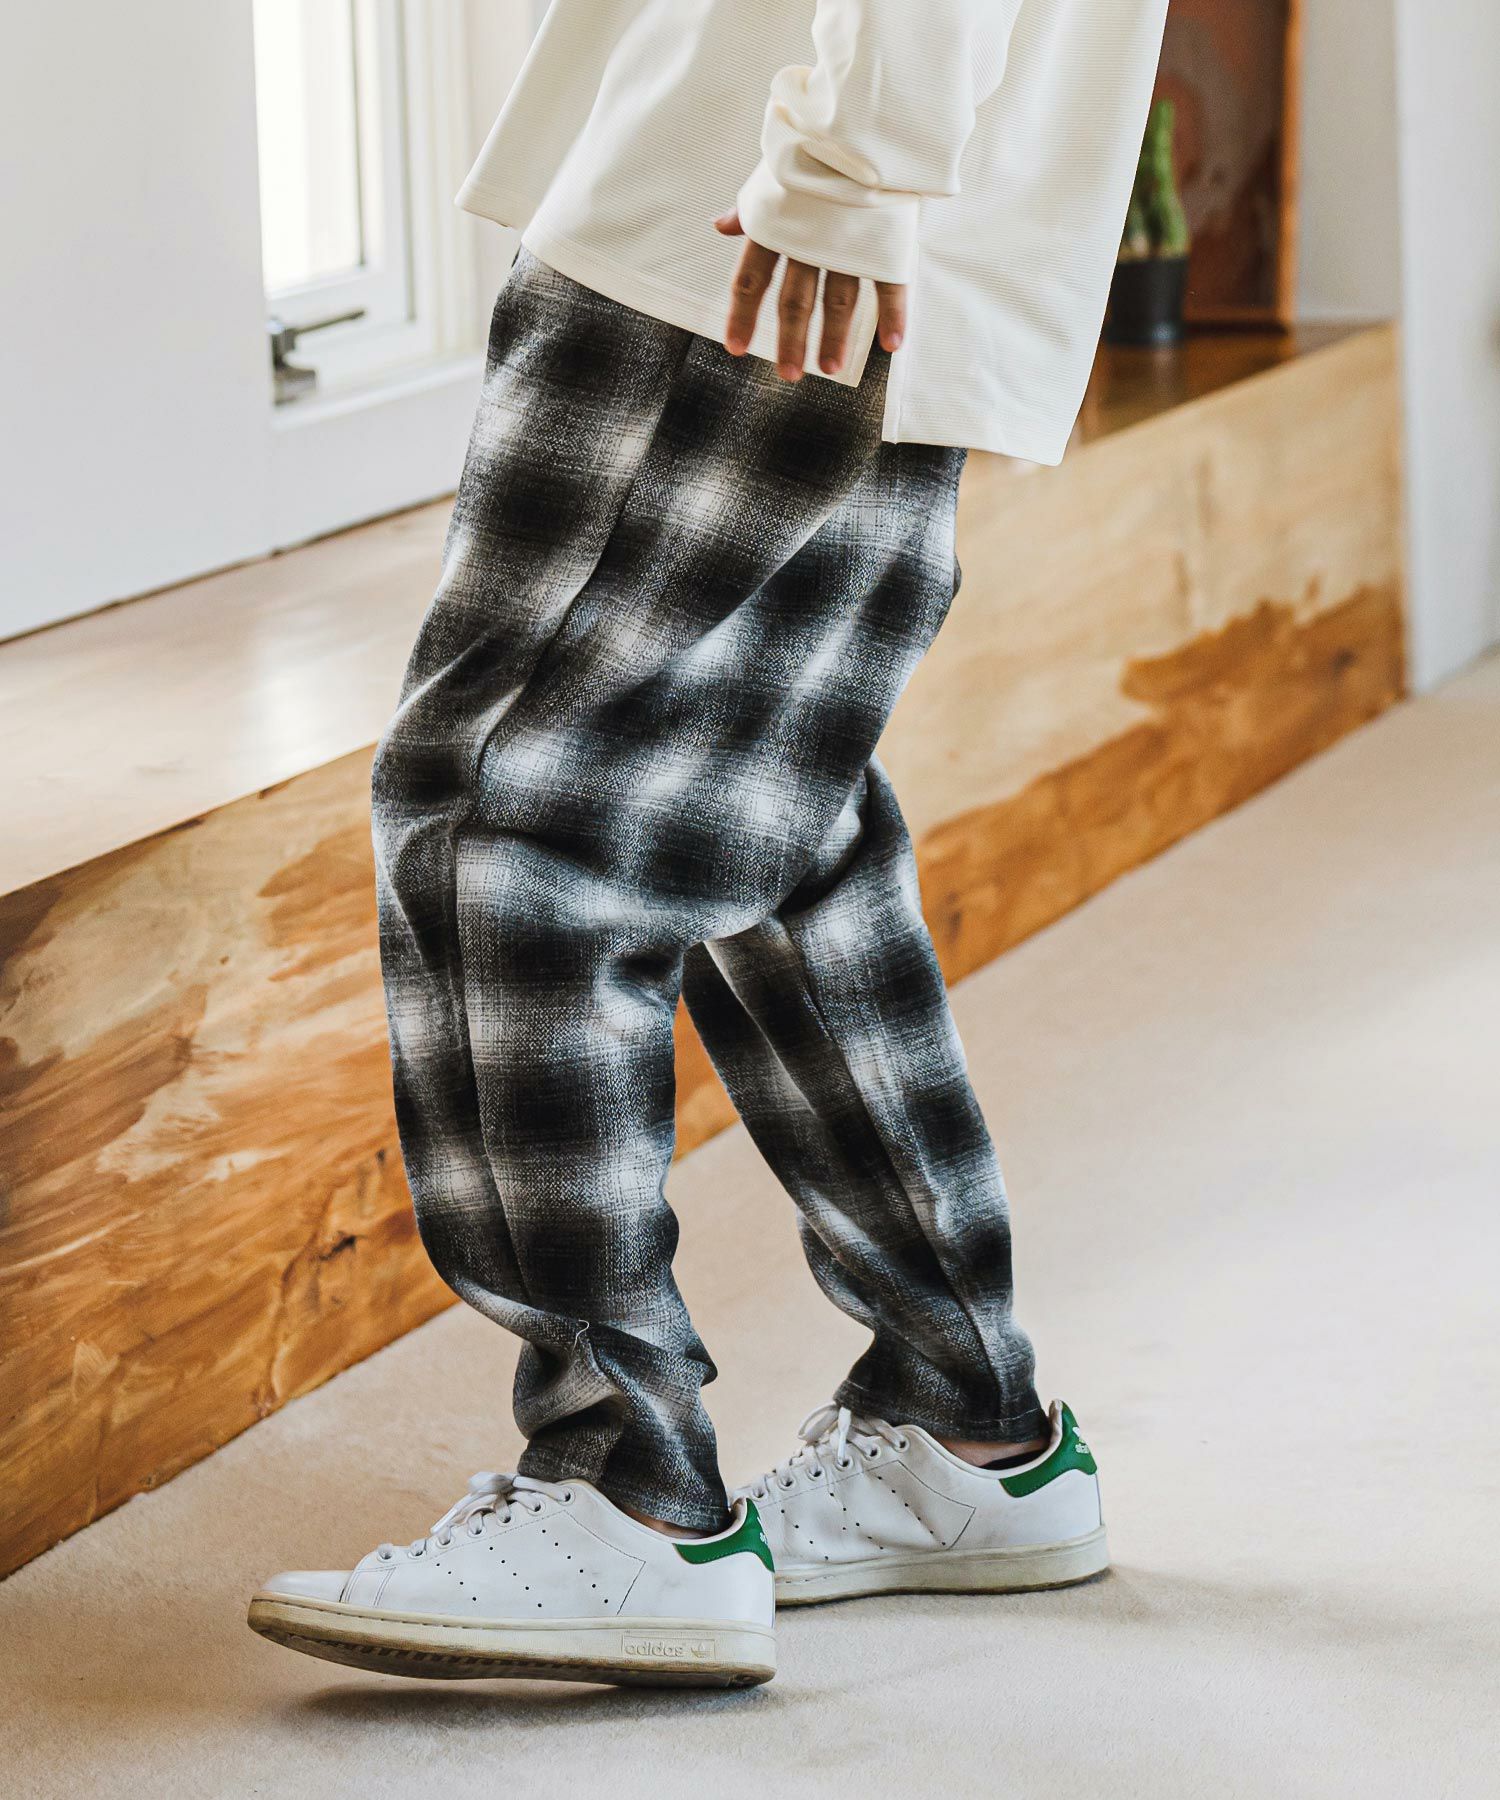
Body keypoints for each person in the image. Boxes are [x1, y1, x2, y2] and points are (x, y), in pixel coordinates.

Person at [248, 0, 1168, 1688]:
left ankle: (625, 1496)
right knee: (779, 829)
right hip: (841, 203)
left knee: (498, 818)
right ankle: (967, 1429)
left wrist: (852, 166)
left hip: (747, 215)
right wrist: (865, 167)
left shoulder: (824, 183)